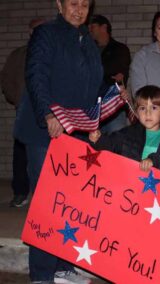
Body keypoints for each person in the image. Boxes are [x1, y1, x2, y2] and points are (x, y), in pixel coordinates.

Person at [13, 0, 103, 283]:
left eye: (85, 4)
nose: (79, 9)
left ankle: (62, 266)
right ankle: (41, 273)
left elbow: (92, 85)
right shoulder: (47, 33)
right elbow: (36, 75)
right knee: (46, 203)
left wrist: (97, 117)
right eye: (73, 3)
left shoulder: (88, 41)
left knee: (70, 203)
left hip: (75, 134)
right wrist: (47, 113)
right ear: (59, 4)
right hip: (45, 131)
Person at [89, 85, 160, 284]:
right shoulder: (128, 133)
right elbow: (111, 144)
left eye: (154, 108)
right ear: (136, 111)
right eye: (143, 108)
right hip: (132, 206)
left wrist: (154, 161)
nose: (148, 113)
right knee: (129, 253)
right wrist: (97, 140)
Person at [0, 18, 45, 208]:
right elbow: (6, 79)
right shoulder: (18, 55)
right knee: (20, 153)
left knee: (42, 157)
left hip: (46, 113)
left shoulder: (50, 54)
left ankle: (45, 197)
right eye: (35, 30)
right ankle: (20, 192)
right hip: (24, 111)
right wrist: (18, 100)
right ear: (29, 32)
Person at [89, 14, 132, 133]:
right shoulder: (88, 50)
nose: (90, 30)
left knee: (116, 144)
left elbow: (115, 70)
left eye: (93, 26)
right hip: (92, 108)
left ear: (103, 27)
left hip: (114, 107)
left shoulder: (120, 49)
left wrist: (94, 71)